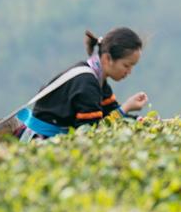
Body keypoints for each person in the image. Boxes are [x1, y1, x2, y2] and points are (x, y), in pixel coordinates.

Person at [14, 27, 150, 141]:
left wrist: (140, 120)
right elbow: (91, 132)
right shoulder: (86, 84)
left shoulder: (99, 81)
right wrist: (125, 108)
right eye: (126, 65)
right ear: (107, 58)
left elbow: (111, 114)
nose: (129, 72)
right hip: (42, 140)